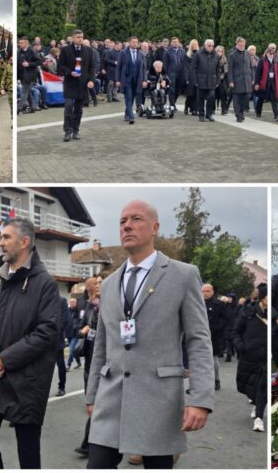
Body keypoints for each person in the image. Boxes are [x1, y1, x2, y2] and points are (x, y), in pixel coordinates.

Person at [85, 200, 214, 469]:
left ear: (155, 227)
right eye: (122, 222)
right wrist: (91, 395)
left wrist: (200, 399)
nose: (127, 226)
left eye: (136, 219)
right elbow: (101, 345)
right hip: (110, 398)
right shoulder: (108, 285)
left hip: (159, 400)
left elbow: (198, 340)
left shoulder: (183, 275)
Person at [0, 216, 60, 469]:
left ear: (24, 242)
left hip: (26, 380)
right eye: (0, 237)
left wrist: (2, 359)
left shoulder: (45, 284)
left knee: (28, 453)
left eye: (6, 237)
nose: (0, 243)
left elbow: (46, 332)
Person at [232, 283, 267, 433]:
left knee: (262, 387)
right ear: (263, 298)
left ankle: (259, 417)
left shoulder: (275, 315)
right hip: (249, 356)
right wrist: (241, 347)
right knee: (246, 386)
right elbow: (236, 332)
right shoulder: (248, 312)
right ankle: (256, 403)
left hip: (265, 357)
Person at [74, 276, 101, 458]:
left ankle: (89, 445)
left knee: (98, 405)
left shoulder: (114, 305)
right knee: (93, 402)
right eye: (96, 283)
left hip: (106, 362)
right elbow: (78, 325)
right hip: (90, 360)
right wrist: (83, 330)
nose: (98, 286)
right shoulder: (89, 306)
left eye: (101, 283)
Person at [57, 29, 97, 142]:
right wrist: (70, 72)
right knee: (69, 107)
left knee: (79, 109)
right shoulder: (65, 50)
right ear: (73, 38)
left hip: (82, 84)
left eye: (82, 37)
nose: (80, 39)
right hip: (70, 82)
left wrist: (91, 80)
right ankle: (67, 131)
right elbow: (60, 66)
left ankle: (76, 130)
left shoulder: (89, 51)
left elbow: (92, 67)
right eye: (78, 37)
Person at [202, 284, 229, 391]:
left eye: (207, 291)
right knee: (198, 360)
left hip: (213, 335)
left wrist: (217, 328)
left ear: (212, 292)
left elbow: (226, 318)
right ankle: (199, 383)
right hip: (199, 335)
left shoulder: (219, 304)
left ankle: (216, 380)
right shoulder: (197, 302)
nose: (205, 293)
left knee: (213, 359)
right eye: (203, 291)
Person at [116, 36, 147, 124]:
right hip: (126, 79)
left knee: (132, 98)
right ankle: (131, 117)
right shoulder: (123, 53)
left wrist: (144, 79)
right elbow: (119, 67)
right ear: (129, 43)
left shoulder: (141, 53)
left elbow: (144, 68)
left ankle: (126, 113)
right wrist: (118, 80)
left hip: (137, 80)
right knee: (128, 98)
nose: (135, 44)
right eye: (133, 42)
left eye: (136, 42)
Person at [228, 37, 253, 123]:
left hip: (247, 80)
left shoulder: (247, 54)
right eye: (240, 45)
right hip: (236, 80)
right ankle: (238, 115)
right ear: (236, 44)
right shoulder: (232, 55)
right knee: (237, 99)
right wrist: (230, 81)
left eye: (243, 45)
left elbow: (251, 67)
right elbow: (230, 69)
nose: (242, 46)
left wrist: (252, 78)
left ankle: (241, 111)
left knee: (247, 97)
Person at [254, 44, 278, 120]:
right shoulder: (262, 60)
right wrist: (257, 83)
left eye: (273, 53)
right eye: (270, 53)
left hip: (273, 83)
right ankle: (258, 112)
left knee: (274, 98)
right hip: (264, 82)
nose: (271, 54)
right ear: (266, 53)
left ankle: (276, 115)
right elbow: (258, 73)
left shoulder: (276, 61)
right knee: (261, 98)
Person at [163, 37, 186, 109]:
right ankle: (172, 104)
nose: (176, 43)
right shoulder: (167, 51)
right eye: (174, 42)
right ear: (171, 43)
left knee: (178, 89)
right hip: (171, 73)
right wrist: (165, 74)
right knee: (172, 89)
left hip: (181, 72)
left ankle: (174, 101)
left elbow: (184, 62)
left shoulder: (182, 51)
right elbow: (165, 64)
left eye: (177, 42)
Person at [55, 296, 70, 397]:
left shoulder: (62, 300)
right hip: (43, 340)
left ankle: (62, 387)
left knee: (60, 365)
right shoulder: (43, 299)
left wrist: (51, 331)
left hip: (57, 339)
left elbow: (65, 319)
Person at [66, 297, 82, 371]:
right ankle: (79, 363)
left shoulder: (79, 311)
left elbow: (81, 320)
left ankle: (68, 365)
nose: (72, 303)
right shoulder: (67, 311)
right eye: (71, 302)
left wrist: (77, 327)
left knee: (71, 349)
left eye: (73, 302)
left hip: (75, 333)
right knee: (74, 350)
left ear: (76, 303)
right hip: (69, 333)